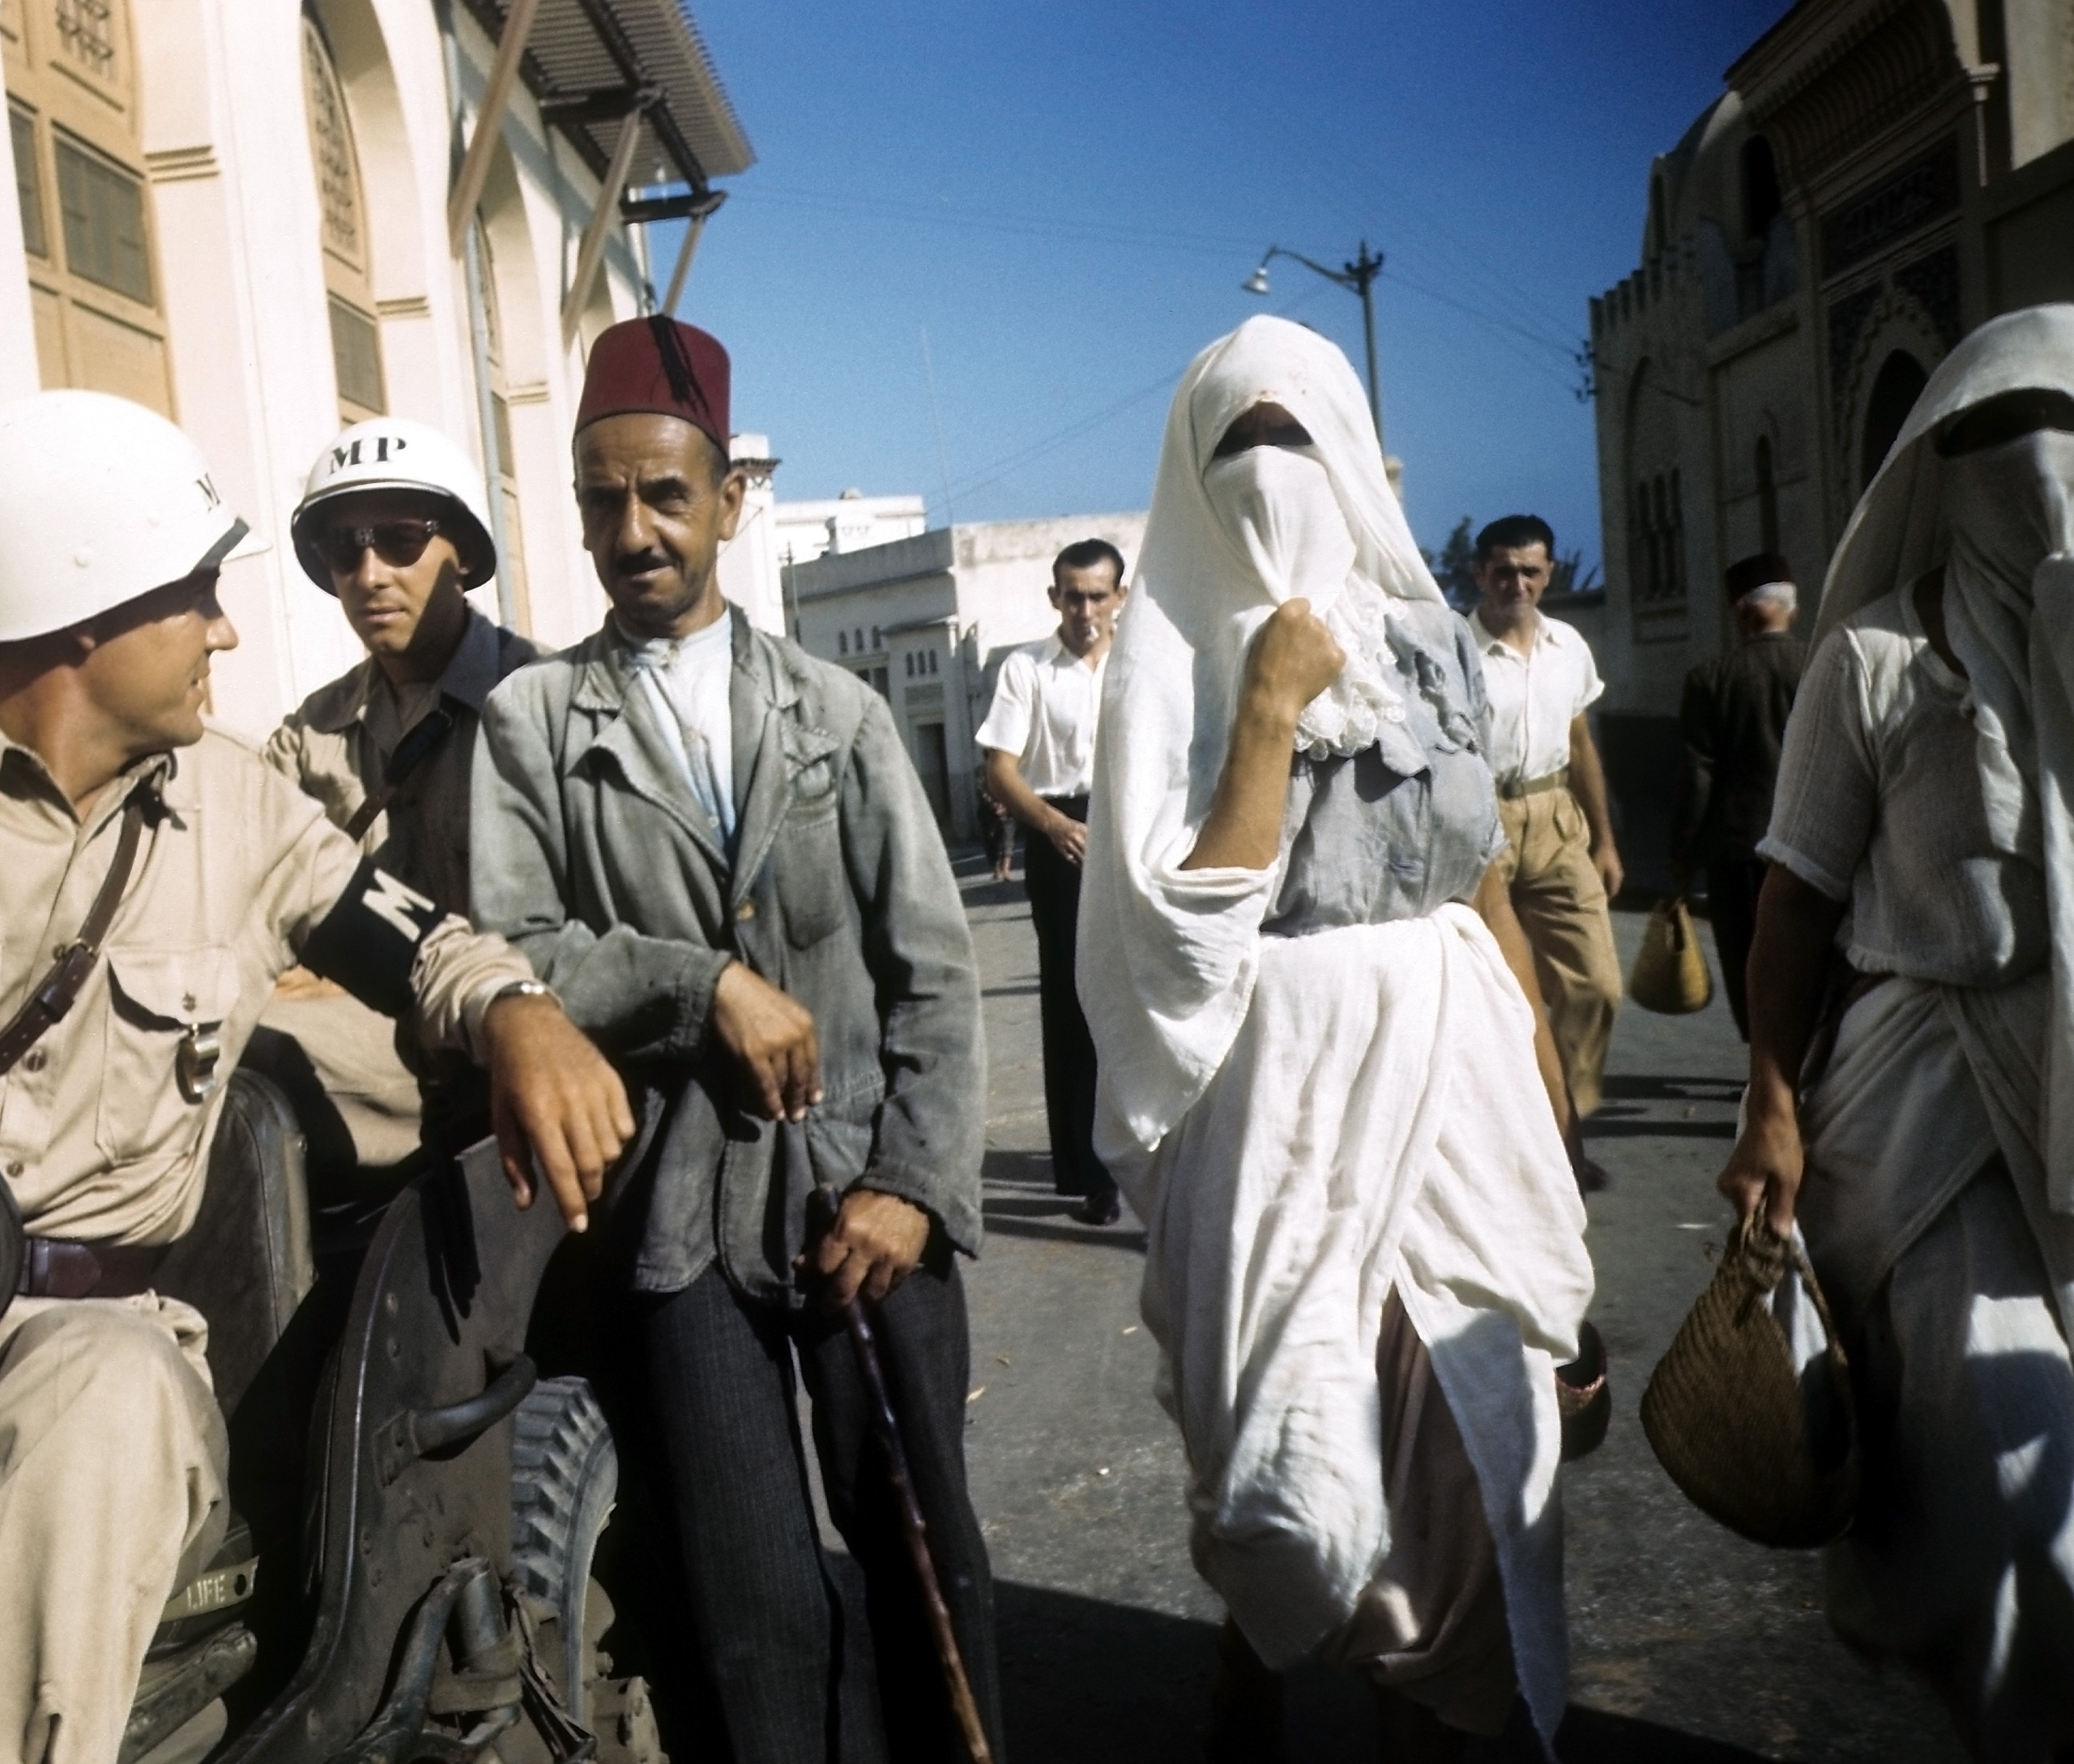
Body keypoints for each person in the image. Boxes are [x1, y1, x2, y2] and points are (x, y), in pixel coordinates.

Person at [0, 388, 631, 1764]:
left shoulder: (235, 807)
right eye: (198, 595)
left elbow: (421, 946)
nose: (229, 630)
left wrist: (520, 1010)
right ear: (87, 617)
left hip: (70, 1363)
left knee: (116, 1396)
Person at [472, 316, 1001, 1764]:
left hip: (862, 1204)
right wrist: (699, 981)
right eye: (602, 501)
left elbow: (934, 974)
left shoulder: (836, 712)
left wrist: (910, 1186)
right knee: (752, 1595)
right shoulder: (531, 721)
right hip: (680, 1218)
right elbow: (516, 955)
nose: (634, 531)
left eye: (663, 495)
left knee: (922, 1566)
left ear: (727, 501)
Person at [1078, 317, 1593, 1760]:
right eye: (1236, 444)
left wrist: (1551, 1141)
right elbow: (1182, 947)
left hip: (1460, 1099)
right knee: (1294, 1504)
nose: (1269, 472)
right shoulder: (1168, 666)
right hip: (1275, 1124)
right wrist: (1265, 707)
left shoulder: (1433, 649)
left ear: (1354, 458)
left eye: (1295, 439)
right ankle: (1262, 1676)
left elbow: (1487, 897)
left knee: (1478, 1484)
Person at [1719, 305, 2074, 1760]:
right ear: (1939, 462)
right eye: (1994, 438)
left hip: (2067, 1083)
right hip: (1924, 1110)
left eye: (2060, 433)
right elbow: (1794, 905)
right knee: (1991, 1486)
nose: (2032, 467)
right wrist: (1767, 1099)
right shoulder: (1866, 660)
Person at [255, 417, 540, 1184]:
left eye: (402, 538)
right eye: (345, 548)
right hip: (374, 1054)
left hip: (512, 1044)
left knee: (259, 1050)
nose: (371, 572)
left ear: (463, 553)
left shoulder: (547, 711)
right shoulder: (309, 735)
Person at [976, 540, 1127, 1224]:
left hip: (1133, 833)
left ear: (1119, 597)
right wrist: (1049, 823)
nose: (1084, 609)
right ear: (1053, 598)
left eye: (1097, 595)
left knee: (1145, 996)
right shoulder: (1026, 670)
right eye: (1072, 595)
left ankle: (1153, 1155)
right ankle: (1087, 1170)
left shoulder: (1143, 663)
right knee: (1073, 1001)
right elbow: (1000, 768)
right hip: (1059, 835)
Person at [1467, 512, 1623, 1133]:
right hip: (1484, 820)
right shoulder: (1456, 648)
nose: (1516, 584)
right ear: (1479, 574)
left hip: (1556, 817)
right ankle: (1506, 1133)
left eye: (1529, 571)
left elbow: (1581, 745)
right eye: (1502, 572)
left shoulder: (1568, 648)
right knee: (1495, 994)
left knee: (1594, 985)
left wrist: (1605, 841)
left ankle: (1567, 1122)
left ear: (1548, 573)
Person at [1671, 553, 1808, 1036]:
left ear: (1741, 610)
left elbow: (1697, 775)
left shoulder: (1711, 679)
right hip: (1816, 841)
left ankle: (1763, 1066)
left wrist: (1682, 857)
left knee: (1750, 957)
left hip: (1740, 849)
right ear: (1790, 608)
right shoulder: (1820, 666)